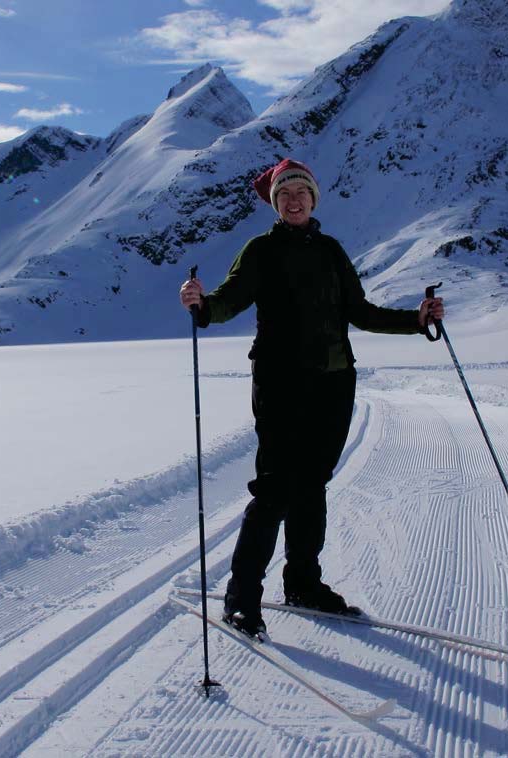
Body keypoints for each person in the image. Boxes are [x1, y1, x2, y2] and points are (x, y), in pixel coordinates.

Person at [180, 158, 445, 637]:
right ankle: (241, 599)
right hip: (281, 385)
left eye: (300, 192)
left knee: (312, 487)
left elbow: (360, 312)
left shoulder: (331, 251)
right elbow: (229, 298)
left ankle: (303, 583)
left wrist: (417, 319)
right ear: (275, 205)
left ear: (313, 199)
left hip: (334, 384)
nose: (293, 200)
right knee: (275, 489)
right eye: (284, 195)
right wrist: (202, 306)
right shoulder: (261, 250)